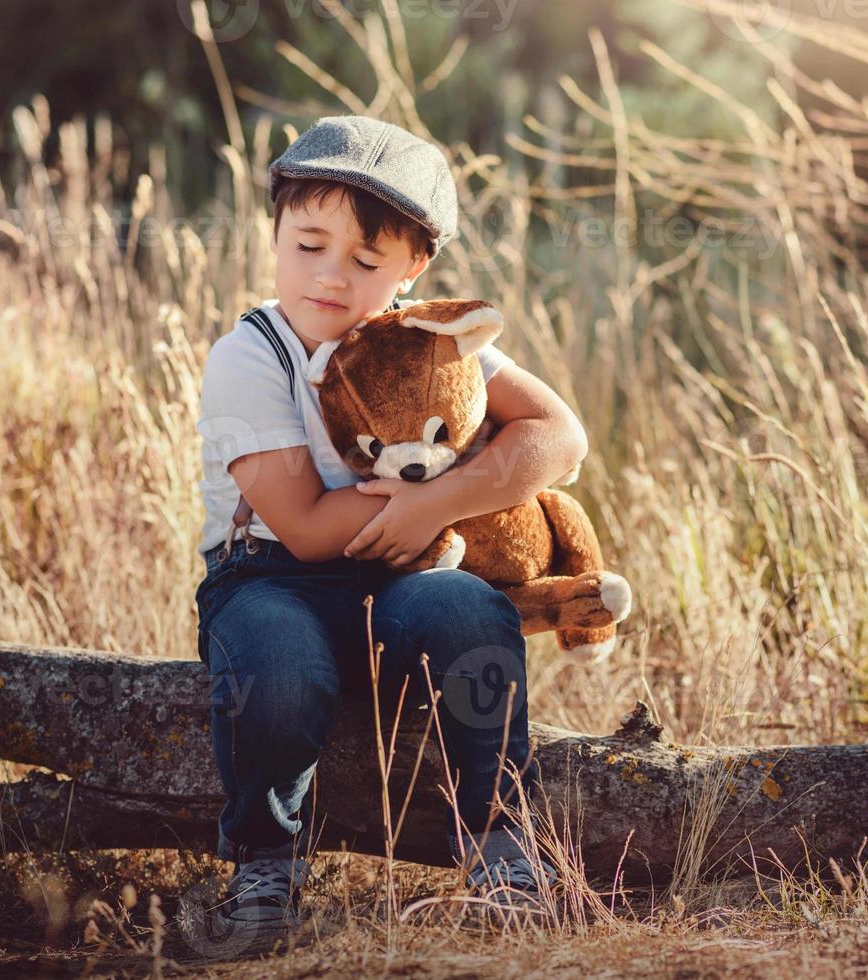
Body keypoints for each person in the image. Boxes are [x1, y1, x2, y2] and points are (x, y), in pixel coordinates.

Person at [193, 116, 587, 931]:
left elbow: (561, 435)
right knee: (280, 663)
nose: (331, 278)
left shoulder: (429, 341)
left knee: (471, 613)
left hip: (404, 574)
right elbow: (301, 526)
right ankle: (266, 862)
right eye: (308, 245)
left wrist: (437, 503)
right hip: (269, 577)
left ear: (414, 266)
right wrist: (423, 500)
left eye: (367, 262)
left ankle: (497, 839)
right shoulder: (252, 353)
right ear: (274, 233)